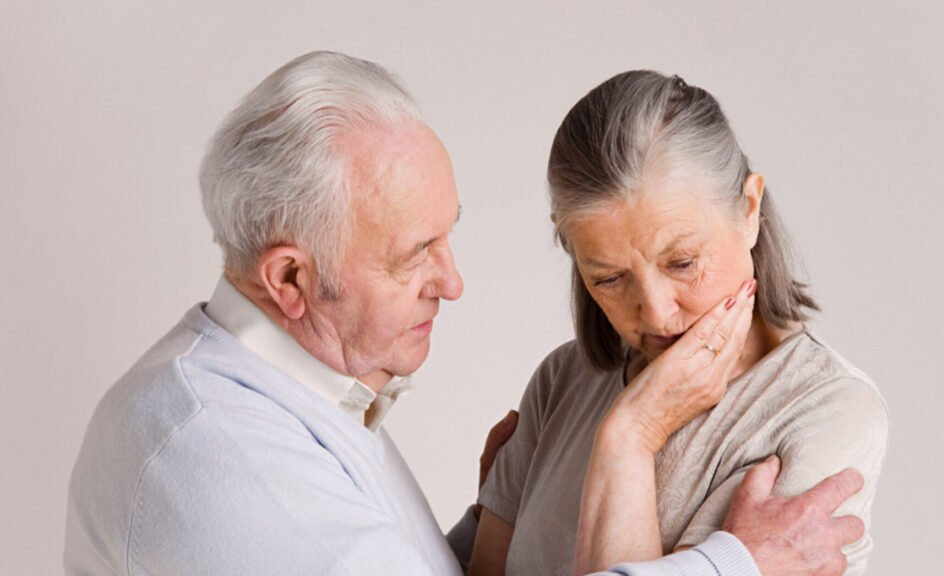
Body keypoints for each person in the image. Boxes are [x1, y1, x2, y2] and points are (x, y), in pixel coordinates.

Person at [64, 52, 866, 576]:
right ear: (290, 280)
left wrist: (491, 518)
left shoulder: (295, 409)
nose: (452, 283)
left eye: (449, 236)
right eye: (415, 253)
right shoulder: (226, 462)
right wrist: (734, 562)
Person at [470, 71, 889, 575]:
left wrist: (630, 436)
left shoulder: (827, 409)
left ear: (749, 210)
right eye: (608, 279)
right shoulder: (560, 382)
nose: (656, 313)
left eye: (683, 263)